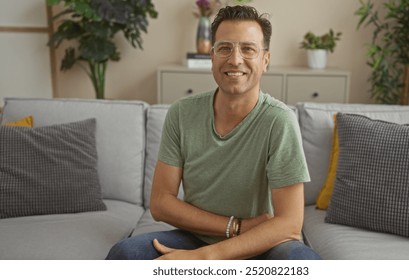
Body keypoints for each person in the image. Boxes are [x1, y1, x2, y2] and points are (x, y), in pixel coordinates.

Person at [106, 5, 321, 260]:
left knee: (304, 263)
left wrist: (205, 259)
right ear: (212, 56)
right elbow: (161, 203)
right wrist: (234, 227)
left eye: (248, 49)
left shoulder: (279, 120)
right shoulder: (182, 113)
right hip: (196, 237)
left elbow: (289, 224)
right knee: (125, 255)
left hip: (261, 243)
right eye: (225, 48)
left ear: (265, 60)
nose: (235, 59)